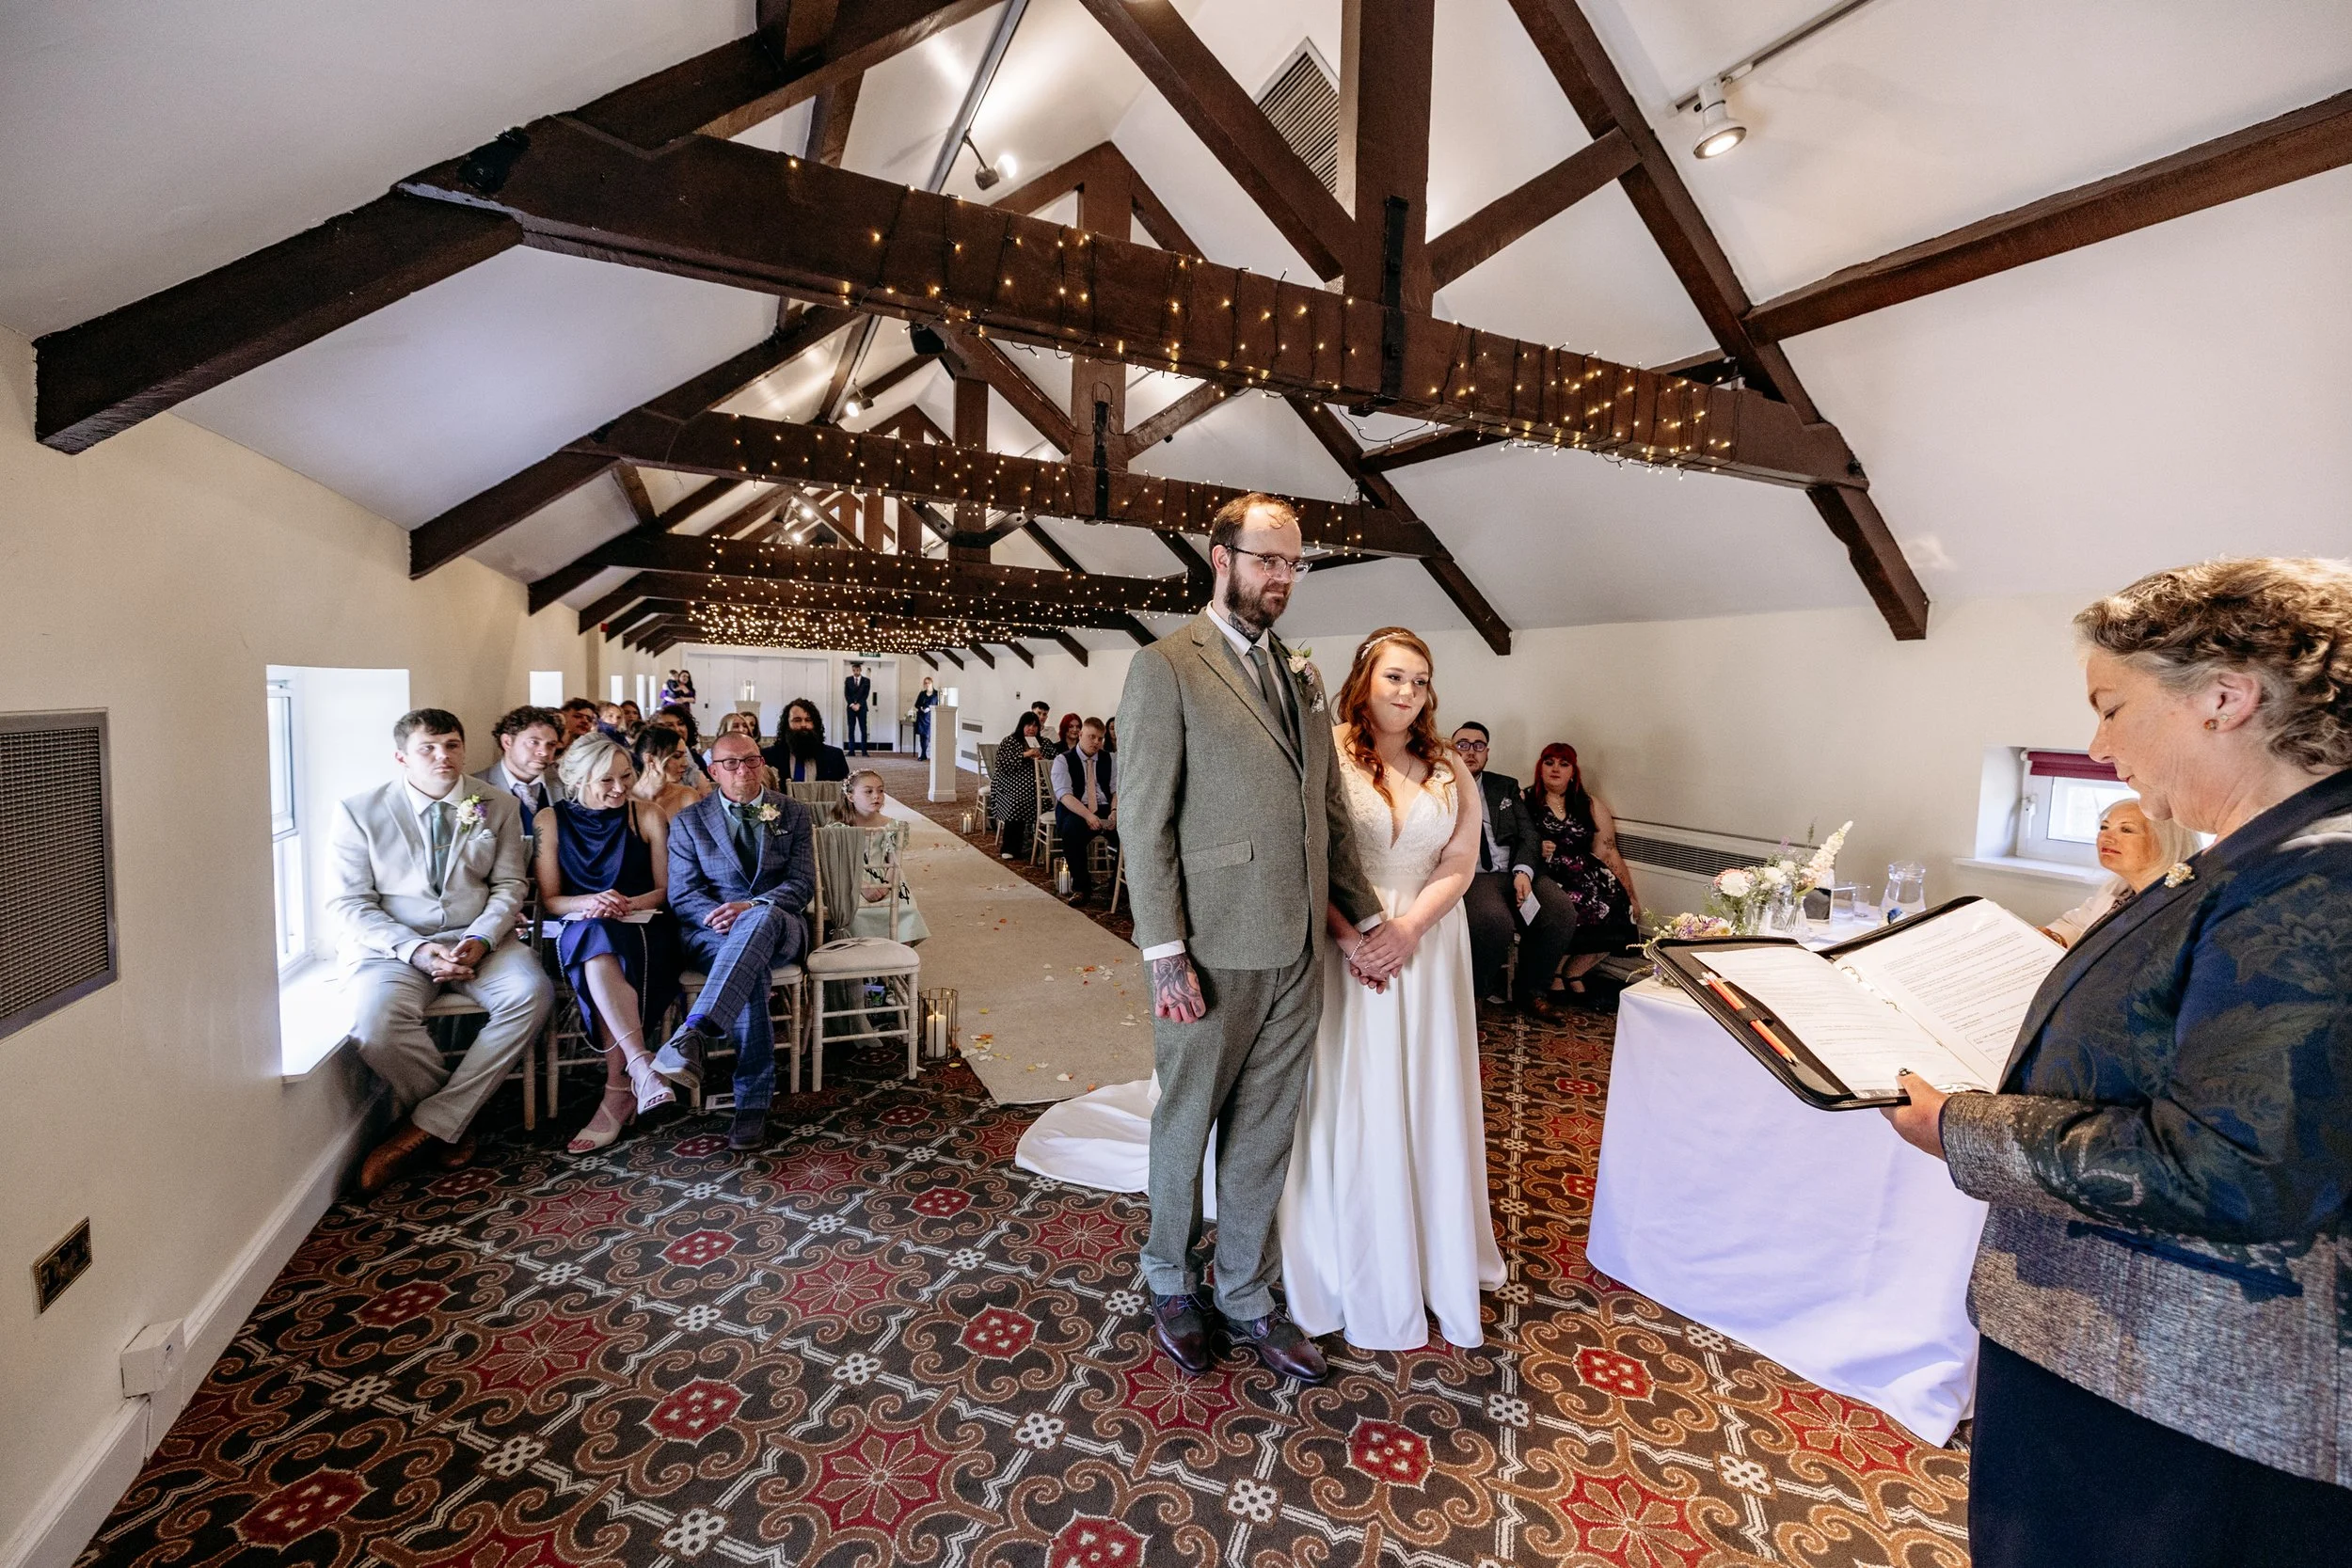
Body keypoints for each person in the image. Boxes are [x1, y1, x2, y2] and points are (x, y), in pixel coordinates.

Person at [1882, 559, 2352, 1566]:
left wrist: (1961, 1126)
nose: (2095, 746)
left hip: (2187, 1390)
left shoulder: (2319, 878)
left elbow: (2231, 1163)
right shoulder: (2263, 853)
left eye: (2111, 707)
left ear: (2225, 697)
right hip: (2144, 1363)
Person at [1113, 491, 1389, 1383]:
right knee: (1186, 1123)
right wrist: (1165, 954)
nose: (1283, 578)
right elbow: (1143, 821)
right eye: (1268, 559)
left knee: (1265, 1132)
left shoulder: (1303, 675)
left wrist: (1367, 920)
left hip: (1297, 945)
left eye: (1294, 563)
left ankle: (1244, 1291)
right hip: (1208, 948)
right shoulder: (1168, 667)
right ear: (1220, 557)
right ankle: (1167, 1278)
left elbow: (1327, 814)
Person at [1282, 629, 1503, 1349]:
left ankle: (1432, 1247)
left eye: (1420, 680)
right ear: (1364, 680)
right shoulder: (1330, 749)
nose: (1408, 692)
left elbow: (1463, 859)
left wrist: (1408, 930)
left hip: (1429, 944)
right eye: (1395, 677)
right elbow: (1306, 853)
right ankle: (1346, 1255)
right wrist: (1355, 939)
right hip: (1345, 940)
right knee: (1355, 1091)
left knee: (1425, 1091)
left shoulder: (1449, 767)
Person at [330, 708, 552, 1193]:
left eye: (451, 745)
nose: (442, 756)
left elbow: (510, 885)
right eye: (428, 748)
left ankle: (423, 1126)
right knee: (375, 1024)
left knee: (532, 994)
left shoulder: (496, 804)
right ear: (401, 757)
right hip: (396, 946)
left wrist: (480, 939)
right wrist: (415, 949)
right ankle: (452, 1119)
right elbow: (349, 903)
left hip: (481, 940)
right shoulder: (359, 811)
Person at [656, 732, 818, 1151]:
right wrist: (721, 918)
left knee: (759, 919)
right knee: (749, 975)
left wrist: (752, 907)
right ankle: (751, 1105)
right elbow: (683, 895)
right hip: (712, 934)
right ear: (713, 771)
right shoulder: (689, 822)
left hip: (781, 924)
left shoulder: (794, 813)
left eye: (751, 760)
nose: (743, 769)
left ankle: (694, 1033)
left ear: (762, 763)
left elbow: (801, 884)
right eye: (731, 763)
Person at [534, 735, 681, 1152]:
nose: (620, 788)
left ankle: (622, 1085)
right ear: (579, 779)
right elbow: (551, 899)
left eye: (626, 776)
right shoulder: (550, 820)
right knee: (594, 940)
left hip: (644, 927)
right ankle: (638, 1069)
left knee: (600, 944)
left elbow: (664, 890)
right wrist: (591, 902)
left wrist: (623, 904)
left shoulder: (648, 814)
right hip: (581, 925)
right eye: (606, 780)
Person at [1450, 721, 1577, 1024]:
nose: (1471, 751)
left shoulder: (1503, 786)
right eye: (1463, 744)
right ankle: (1476, 996)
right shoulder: (1437, 785)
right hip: (1475, 874)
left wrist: (1523, 872)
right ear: (1450, 751)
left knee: (1560, 912)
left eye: (1478, 745)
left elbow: (1529, 836)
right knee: (1494, 921)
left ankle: (1532, 992)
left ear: (1487, 753)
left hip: (1513, 870)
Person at [1524, 742, 1642, 995]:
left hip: (1586, 874)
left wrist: (1630, 894)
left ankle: (1573, 971)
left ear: (1573, 771)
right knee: (1565, 907)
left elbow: (1608, 851)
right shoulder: (1526, 800)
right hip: (1547, 875)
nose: (1555, 768)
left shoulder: (1590, 805)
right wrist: (1535, 848)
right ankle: (1554, 971)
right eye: (1549, 762)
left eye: (1563, 764)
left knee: (1621, 910)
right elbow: (1513, 843)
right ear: (1540, 767)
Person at [2042, 797, 2201, 945]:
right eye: (2104, 827)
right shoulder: (2120, 888)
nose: (2106, 837)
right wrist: (2056, 938)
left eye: (2126, 830)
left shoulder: (2179, 908)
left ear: (2167, 841)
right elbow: (2077, 924)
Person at [840, 769, 929, 942]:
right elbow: (839, 864)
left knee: (906, 908)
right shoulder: (839, 827)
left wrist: (887, 886)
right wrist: (862, 886)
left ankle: (899, 954)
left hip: (886, 877)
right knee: (856, 911)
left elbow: (894, 861)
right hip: (851, 880)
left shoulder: (893, 826)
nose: (876, 796)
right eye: (868, 791)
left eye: (880, 791)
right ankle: (863, 953)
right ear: (850, 796)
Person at [1051, 717, 1118, 906]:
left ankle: (1118, 884)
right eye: (1092, 737)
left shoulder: (1110, 759)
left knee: (1130, 830)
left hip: (1105, 807)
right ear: (1080, 735)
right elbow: (1065, 795)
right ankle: (1082, 887)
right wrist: (1088, 815)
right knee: (1071, 831)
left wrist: (1114, 811)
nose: (1097, 742)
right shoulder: (1063, 760)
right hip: (1077, 808)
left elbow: (1116, 789)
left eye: (1100, 738)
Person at [474, 705, 561, 833]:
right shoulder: (476, 787)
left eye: (551, 745)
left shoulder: (564, 786)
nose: (544, 752)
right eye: (534, 742)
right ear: (507, 742)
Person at [990, 710, 1047, 860]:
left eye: (1035, 726)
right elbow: (1002, 763)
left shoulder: (1044, 742)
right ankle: (1010, 847)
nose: (1032, 729)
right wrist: (1025, 755)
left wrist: (1042, 759)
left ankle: (1039, 848)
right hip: (1009, 784)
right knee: (1017, 801)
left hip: (1038, 787)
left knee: (1050, 801)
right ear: (1022, 725)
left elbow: (1055, 762)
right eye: (1028, 725)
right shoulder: (1010, 741)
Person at [764, 697, 849, 784]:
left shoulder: (835, 757)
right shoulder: (768, 756)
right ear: (787, 724)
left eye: (808, 720)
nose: (803, 725)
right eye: (797, 720)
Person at [631, 725, 706, 820]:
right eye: (677, 756)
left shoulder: (687, 796)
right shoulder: (627, 800)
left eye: (685, 756)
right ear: (650, 759)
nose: (685, 764)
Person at [843, 661, 873, 756]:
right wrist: (852, 704)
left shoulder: (866, 681)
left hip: (862, 707)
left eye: (857, 670)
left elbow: (866, 694)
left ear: (860, 670)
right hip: (851, 708)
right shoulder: (848, 680)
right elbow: (846, 694)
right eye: (854, 670)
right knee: (851, 729)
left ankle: (864, 751)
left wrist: (859, 704)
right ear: (852, 670)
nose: (856, 672)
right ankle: (852, 751)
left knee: (863, 729)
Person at [912, 675, 939, 761]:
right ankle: (923, 754)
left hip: (930, 717)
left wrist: (930, 709)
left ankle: (923, 754)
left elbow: (938, 706)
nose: (927, 684)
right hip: (921, 717)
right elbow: (916, 704)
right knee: (922, 736)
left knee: (927, 736)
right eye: (925, 683)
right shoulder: (922, 693)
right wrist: (921, 708)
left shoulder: (936, 694)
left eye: (928, 683)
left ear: (932, 683)